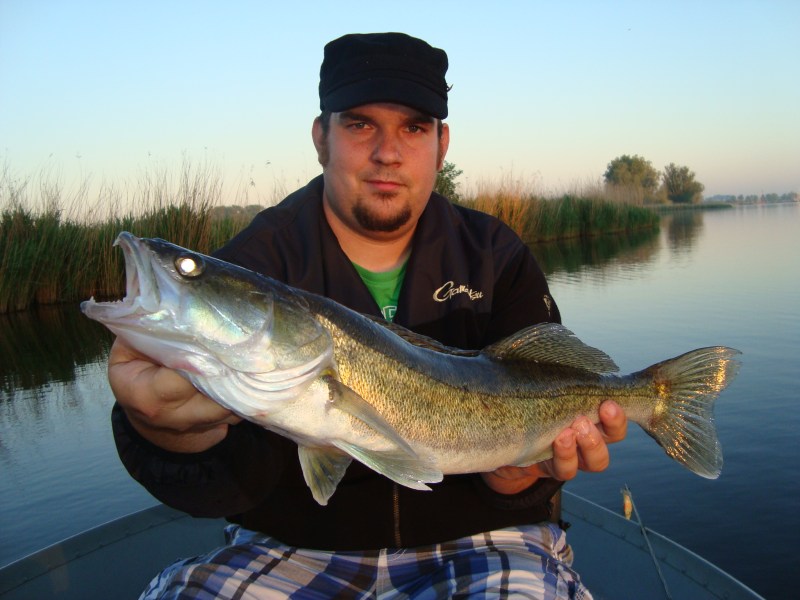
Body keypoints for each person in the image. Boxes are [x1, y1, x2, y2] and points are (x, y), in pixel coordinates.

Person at [110, 32, 627, 599]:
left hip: (485, 538)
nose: (388, 152)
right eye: (359, 124)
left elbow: (518, 479)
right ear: (321, 138)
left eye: (414, 128)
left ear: (442, 144)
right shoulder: (258, 261)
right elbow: (228, 487)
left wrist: (518, 474)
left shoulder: (495, 255)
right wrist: (161, 429)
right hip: (291, 546)